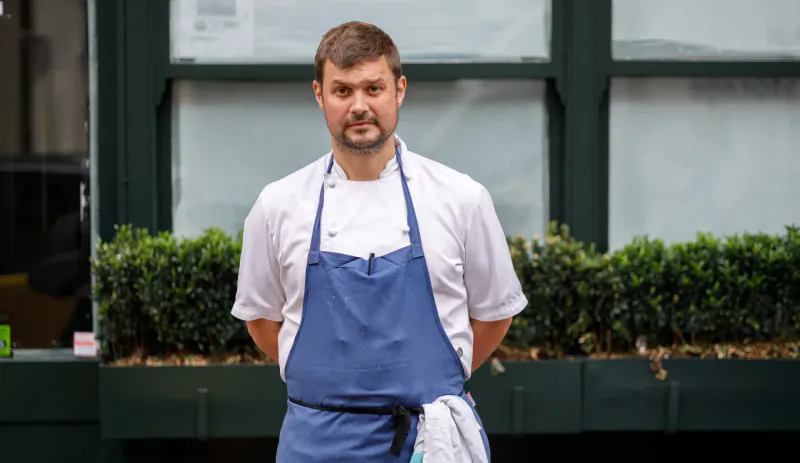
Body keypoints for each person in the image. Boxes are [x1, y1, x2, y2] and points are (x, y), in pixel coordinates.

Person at [231, 21, 527, 462]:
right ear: (319, 94)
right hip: (314, 446)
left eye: (374, 88)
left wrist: (431, 383)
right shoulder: (278, 205)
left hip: (427, 445)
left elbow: (493, 317)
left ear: (399, 89)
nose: (359, 106)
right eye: (342, 90)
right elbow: (262, 322)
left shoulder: (461, 198)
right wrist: (335, 391)